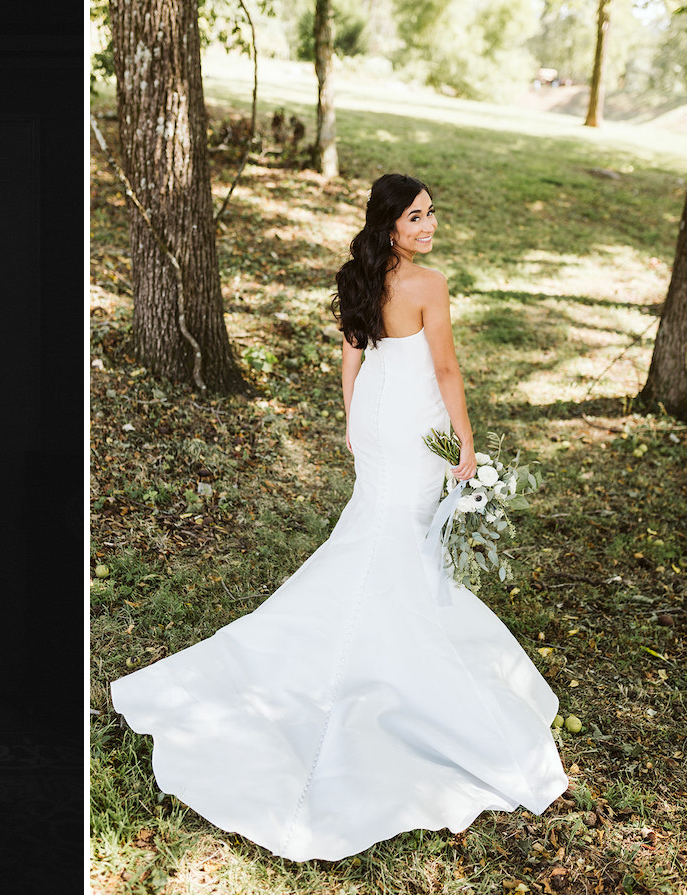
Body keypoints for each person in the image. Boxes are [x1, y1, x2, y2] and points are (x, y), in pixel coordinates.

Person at [110, 174, 568, 861]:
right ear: (390, 225)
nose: (429, 226)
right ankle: (380, 656)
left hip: (379, 421)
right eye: (417, 217)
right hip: (414, 427)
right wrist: (465, 441)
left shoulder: (359, 278)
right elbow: (445, 369)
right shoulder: (428, 285)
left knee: (377, 533)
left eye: (432, 215)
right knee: (394, 542)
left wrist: (352, 422)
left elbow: (351, 356)